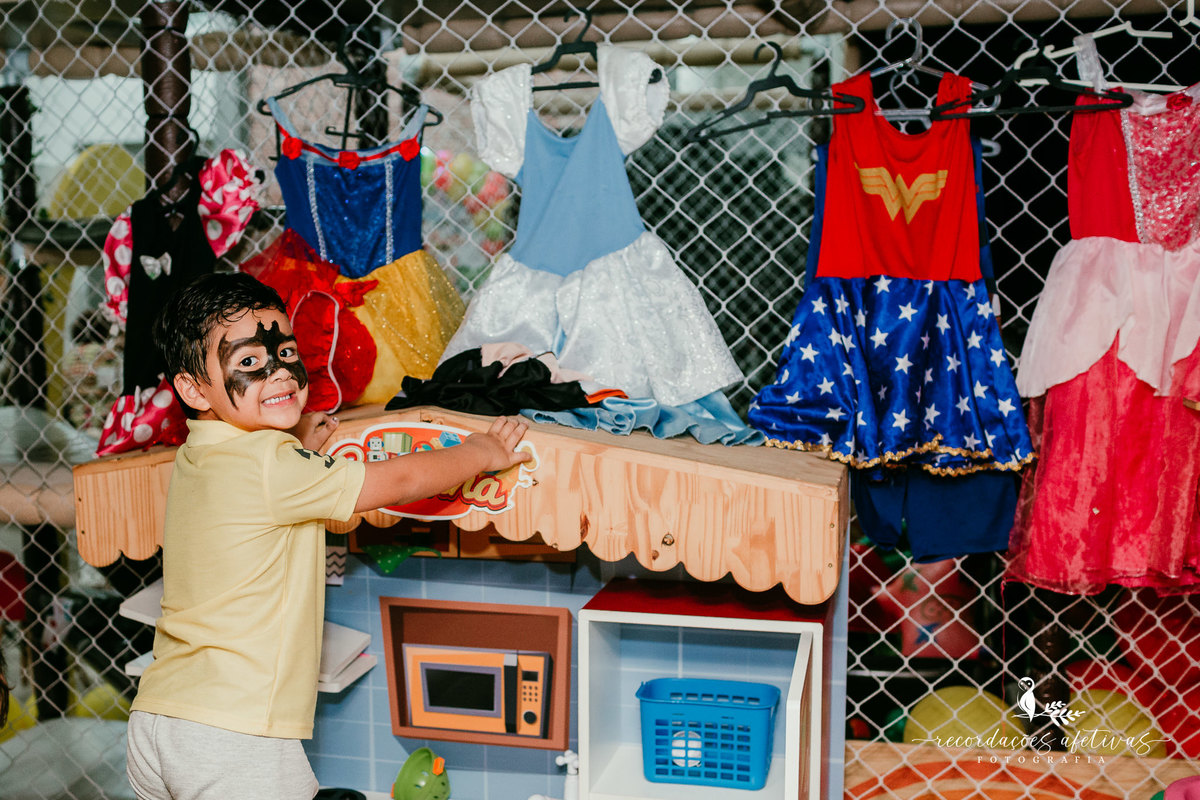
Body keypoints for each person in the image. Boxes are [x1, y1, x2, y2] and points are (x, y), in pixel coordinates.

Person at [125, 272, 531, 800]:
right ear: (192, 389)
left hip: (158, 716)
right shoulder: (272, 463)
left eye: (287, 352)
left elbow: (256, 503)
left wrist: (299, 449)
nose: (279, 373)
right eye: (248, 363)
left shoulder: (199, 454)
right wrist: (485, 452)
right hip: (235, 732)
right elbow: (400, 480)